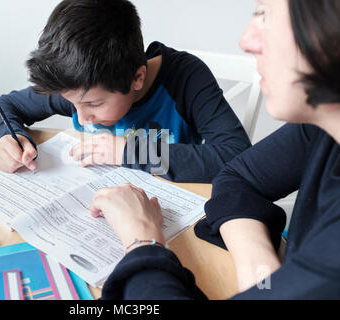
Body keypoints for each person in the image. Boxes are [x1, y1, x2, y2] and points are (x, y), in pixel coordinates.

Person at [91, 0, 340, 299]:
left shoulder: (184, 73)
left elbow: (230, 154)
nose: (245, 40)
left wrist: (143, 241)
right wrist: (262, 273)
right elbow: (238, 176)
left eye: (265, 15)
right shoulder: (322, 127)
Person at [0, 0, 251, 183]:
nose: (82, 116)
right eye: (72, 103)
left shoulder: (185, 78)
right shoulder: (78, 85)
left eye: (95, 104)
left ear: (137, 78)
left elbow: (236, 155)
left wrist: (129, 151)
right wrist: (7, 138)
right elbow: (3, 106)